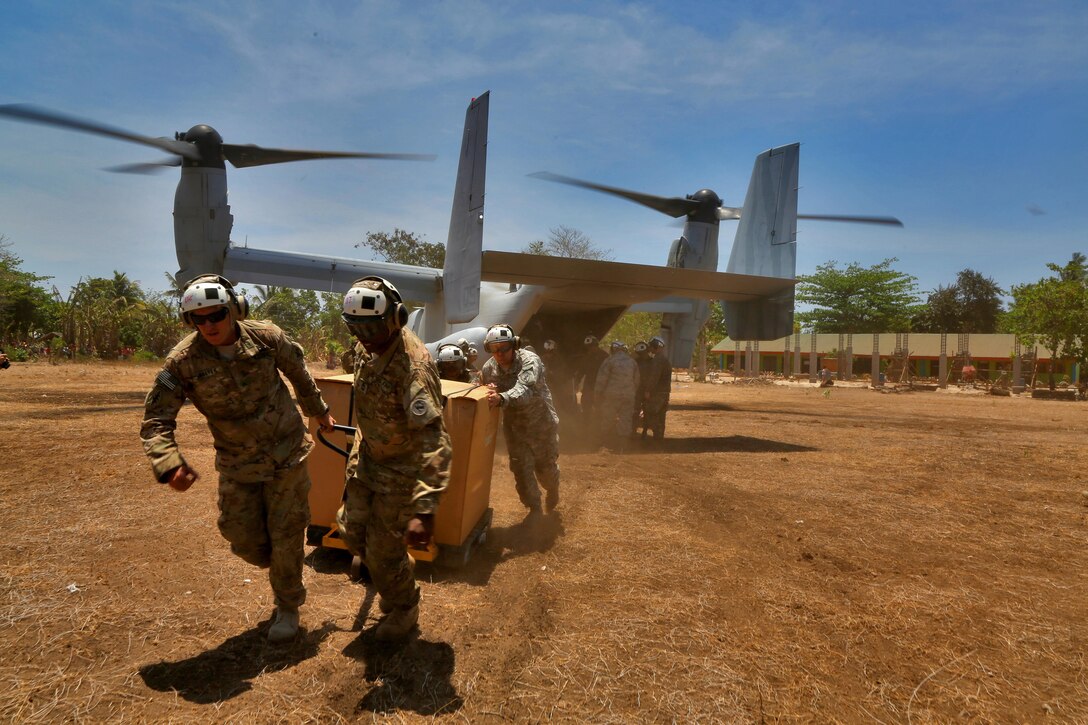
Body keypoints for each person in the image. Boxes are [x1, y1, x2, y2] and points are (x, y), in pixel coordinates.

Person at [140, 274, 335, 644]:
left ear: (234, 310)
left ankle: (288, 605)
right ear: (189, 322)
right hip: (237, 461)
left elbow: (298, 373)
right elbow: (156, 420)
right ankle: (278, 562)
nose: (210, 325)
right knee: (240, 536)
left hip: (287, 453)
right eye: (200, 319)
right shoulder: (182, 362)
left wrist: (319, 410)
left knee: (287, 533)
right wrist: (168, 465)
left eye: (216, 315)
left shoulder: (267, 337)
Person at [336, 276, 451, 642]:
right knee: (351, 534)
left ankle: (405, 608)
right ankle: (398, 567)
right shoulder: (363, 347)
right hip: (368, 460)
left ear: (397, 317)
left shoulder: (412, 368)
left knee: (383, 556)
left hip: (402, 472)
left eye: (371, 325)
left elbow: (435, 438)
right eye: (355, 326)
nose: (364, 335)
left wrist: (425, 509)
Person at [481, 323, 560, 515]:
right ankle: (534, 510)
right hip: (515, 428)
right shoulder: (489, 368)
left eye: (504, 348)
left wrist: (502, 397)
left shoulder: (529, 361)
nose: (499, 354)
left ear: (514, 345)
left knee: (545, 471)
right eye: (493, 349)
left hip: (540, 424)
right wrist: (487, 389)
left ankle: (553, 488)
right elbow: (481, 388)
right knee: (521, 471)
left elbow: (524, 389)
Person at [594, 341, 640, 451]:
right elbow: (637, 380)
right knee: (625, 419)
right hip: (628, 395)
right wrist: (631, 391)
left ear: (612, 349)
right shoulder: (632, 362)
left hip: (611, 395)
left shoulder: (609, 361)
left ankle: (605, 445)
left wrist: (597, 394)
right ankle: (622, 447)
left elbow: (601, 380)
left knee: (608, 418)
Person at [642, 336, 672, 442]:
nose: (649, 348)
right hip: (664, 393)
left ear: (655, 346)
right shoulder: (663, 359)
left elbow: (654, 377)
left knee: (652, 415)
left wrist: (647, 391)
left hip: (657, 394)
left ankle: (654, 441)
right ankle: (658, 440)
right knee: (660, 416)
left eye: (651, 346)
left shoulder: (658, 360)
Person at [575, 334, 609, 422]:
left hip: (601, 386)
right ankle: (585, 424)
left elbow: (609, 372)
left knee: (600, 407)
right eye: (588, 347)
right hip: (589, 385)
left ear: (596, 345)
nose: (590, 349)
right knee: (586, 405)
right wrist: (577, 381)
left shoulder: (604, 356)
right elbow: (581, 371)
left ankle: (598, 426)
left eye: (591, 346)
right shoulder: (587, 357)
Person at [540, 339, 576, 417]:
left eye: (550, 352)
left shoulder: (558, 360)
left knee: (560, 404)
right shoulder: (542, 359)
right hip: (547, 386)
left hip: (557, 386)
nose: (549, 354)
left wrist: (552, 373)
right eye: (548, 352)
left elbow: (561, 373)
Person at [631, 341, 651, 434]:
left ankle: (642, 430)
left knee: (646, 411)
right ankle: (637, 430)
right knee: (637, 410)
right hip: (640, 390)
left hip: (645, 390)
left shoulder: (635, 362)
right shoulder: (635, 362)